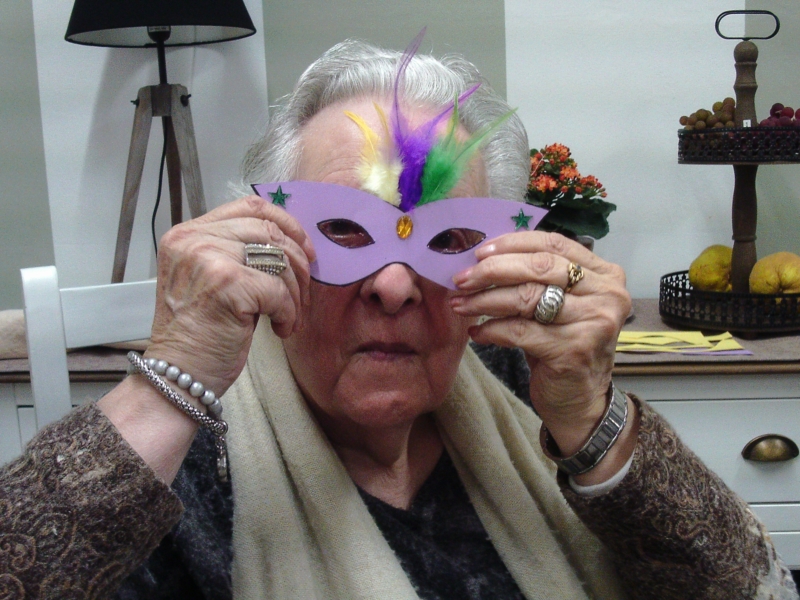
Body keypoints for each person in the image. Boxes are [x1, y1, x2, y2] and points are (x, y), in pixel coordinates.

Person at [1, 34, 797, 600]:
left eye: (448, 240)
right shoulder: (188, 467)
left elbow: (753, 587)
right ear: (270, 240)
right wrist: (169, 385)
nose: (392, 284)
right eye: (346, 230)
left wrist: (592, 420)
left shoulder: (522, 387)